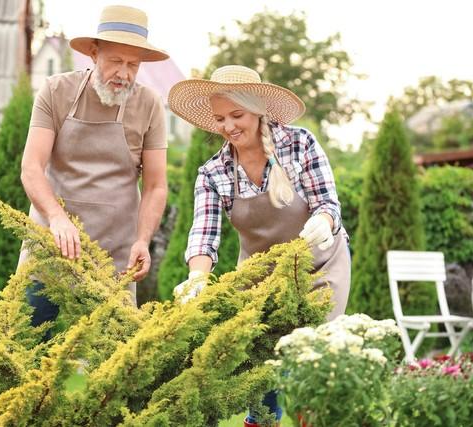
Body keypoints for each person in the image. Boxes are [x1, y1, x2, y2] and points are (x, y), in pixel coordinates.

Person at [168, 65, 350, 427]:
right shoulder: (213, 172)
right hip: (261, 274)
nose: (229, 126)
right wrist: (196, 278)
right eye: (220, 119)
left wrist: (323, 222)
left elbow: (328, 203)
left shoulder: (299, 144)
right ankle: (263, 422)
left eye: (237, 115)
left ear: (258, 110)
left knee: (311, 357)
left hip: (319, 267)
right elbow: (204, 233)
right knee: (261, 359)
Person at [19, 5, 169, 327]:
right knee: (25, 348)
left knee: (112, 364)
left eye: (133, 64)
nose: (124, 74)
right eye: (116, 61)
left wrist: (142, 240)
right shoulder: (56, 91)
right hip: (51, 247)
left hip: (115, 257)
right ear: (93, 53)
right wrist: (57, 218)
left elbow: (156, 186)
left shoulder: (149, 104)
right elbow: (32, 167)